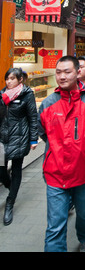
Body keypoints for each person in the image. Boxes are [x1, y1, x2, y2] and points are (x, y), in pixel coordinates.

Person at [38, 56, 85, 252]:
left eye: (67, 72)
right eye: (58, 72)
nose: (62, 76)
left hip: (83, 172)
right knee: (54, 226)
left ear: (78, 73)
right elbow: (43, 132)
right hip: (55, 173)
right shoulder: (48, 103)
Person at [0, 68, 38, 226]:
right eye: (6, 79)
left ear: (20, 80)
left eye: (11, 79)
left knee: (16, 169)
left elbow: (32, 116)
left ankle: (10, 203)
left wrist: (33, 139)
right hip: (3, 138)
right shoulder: (2, 95)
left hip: (20, 137)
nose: (8, 82)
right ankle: (11, 187)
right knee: (1, 169)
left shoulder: (26, 94)